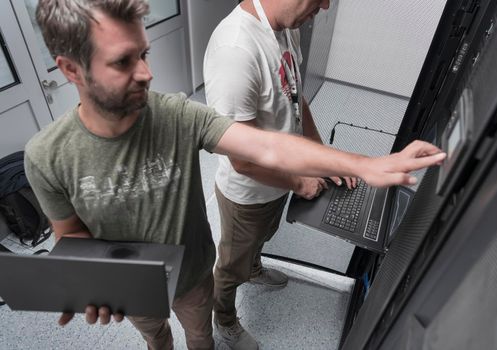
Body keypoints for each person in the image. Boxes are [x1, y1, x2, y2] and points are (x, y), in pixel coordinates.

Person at [26, 1, 444, 350]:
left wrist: (363, 164)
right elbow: (70, 235)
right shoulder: (47, 157)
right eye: (123, 62)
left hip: (192, 275)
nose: (146, 74)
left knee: (199, 335)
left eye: (144, 54)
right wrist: (93, 281)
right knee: (156, 337)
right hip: (133, 288)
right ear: (71, 70)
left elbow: (262, 145)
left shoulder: (173, 113)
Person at [203, 1, 352, 348]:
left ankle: (253, 269)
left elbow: (296, 100)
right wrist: (300, 181)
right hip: (248, 195)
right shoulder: (235, 49)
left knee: (266, 234)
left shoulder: (286, 29)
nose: (326, 6)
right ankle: (224, 320)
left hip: (277, 183)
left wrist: (322, 156)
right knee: (229, 267)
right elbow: (240, 158)